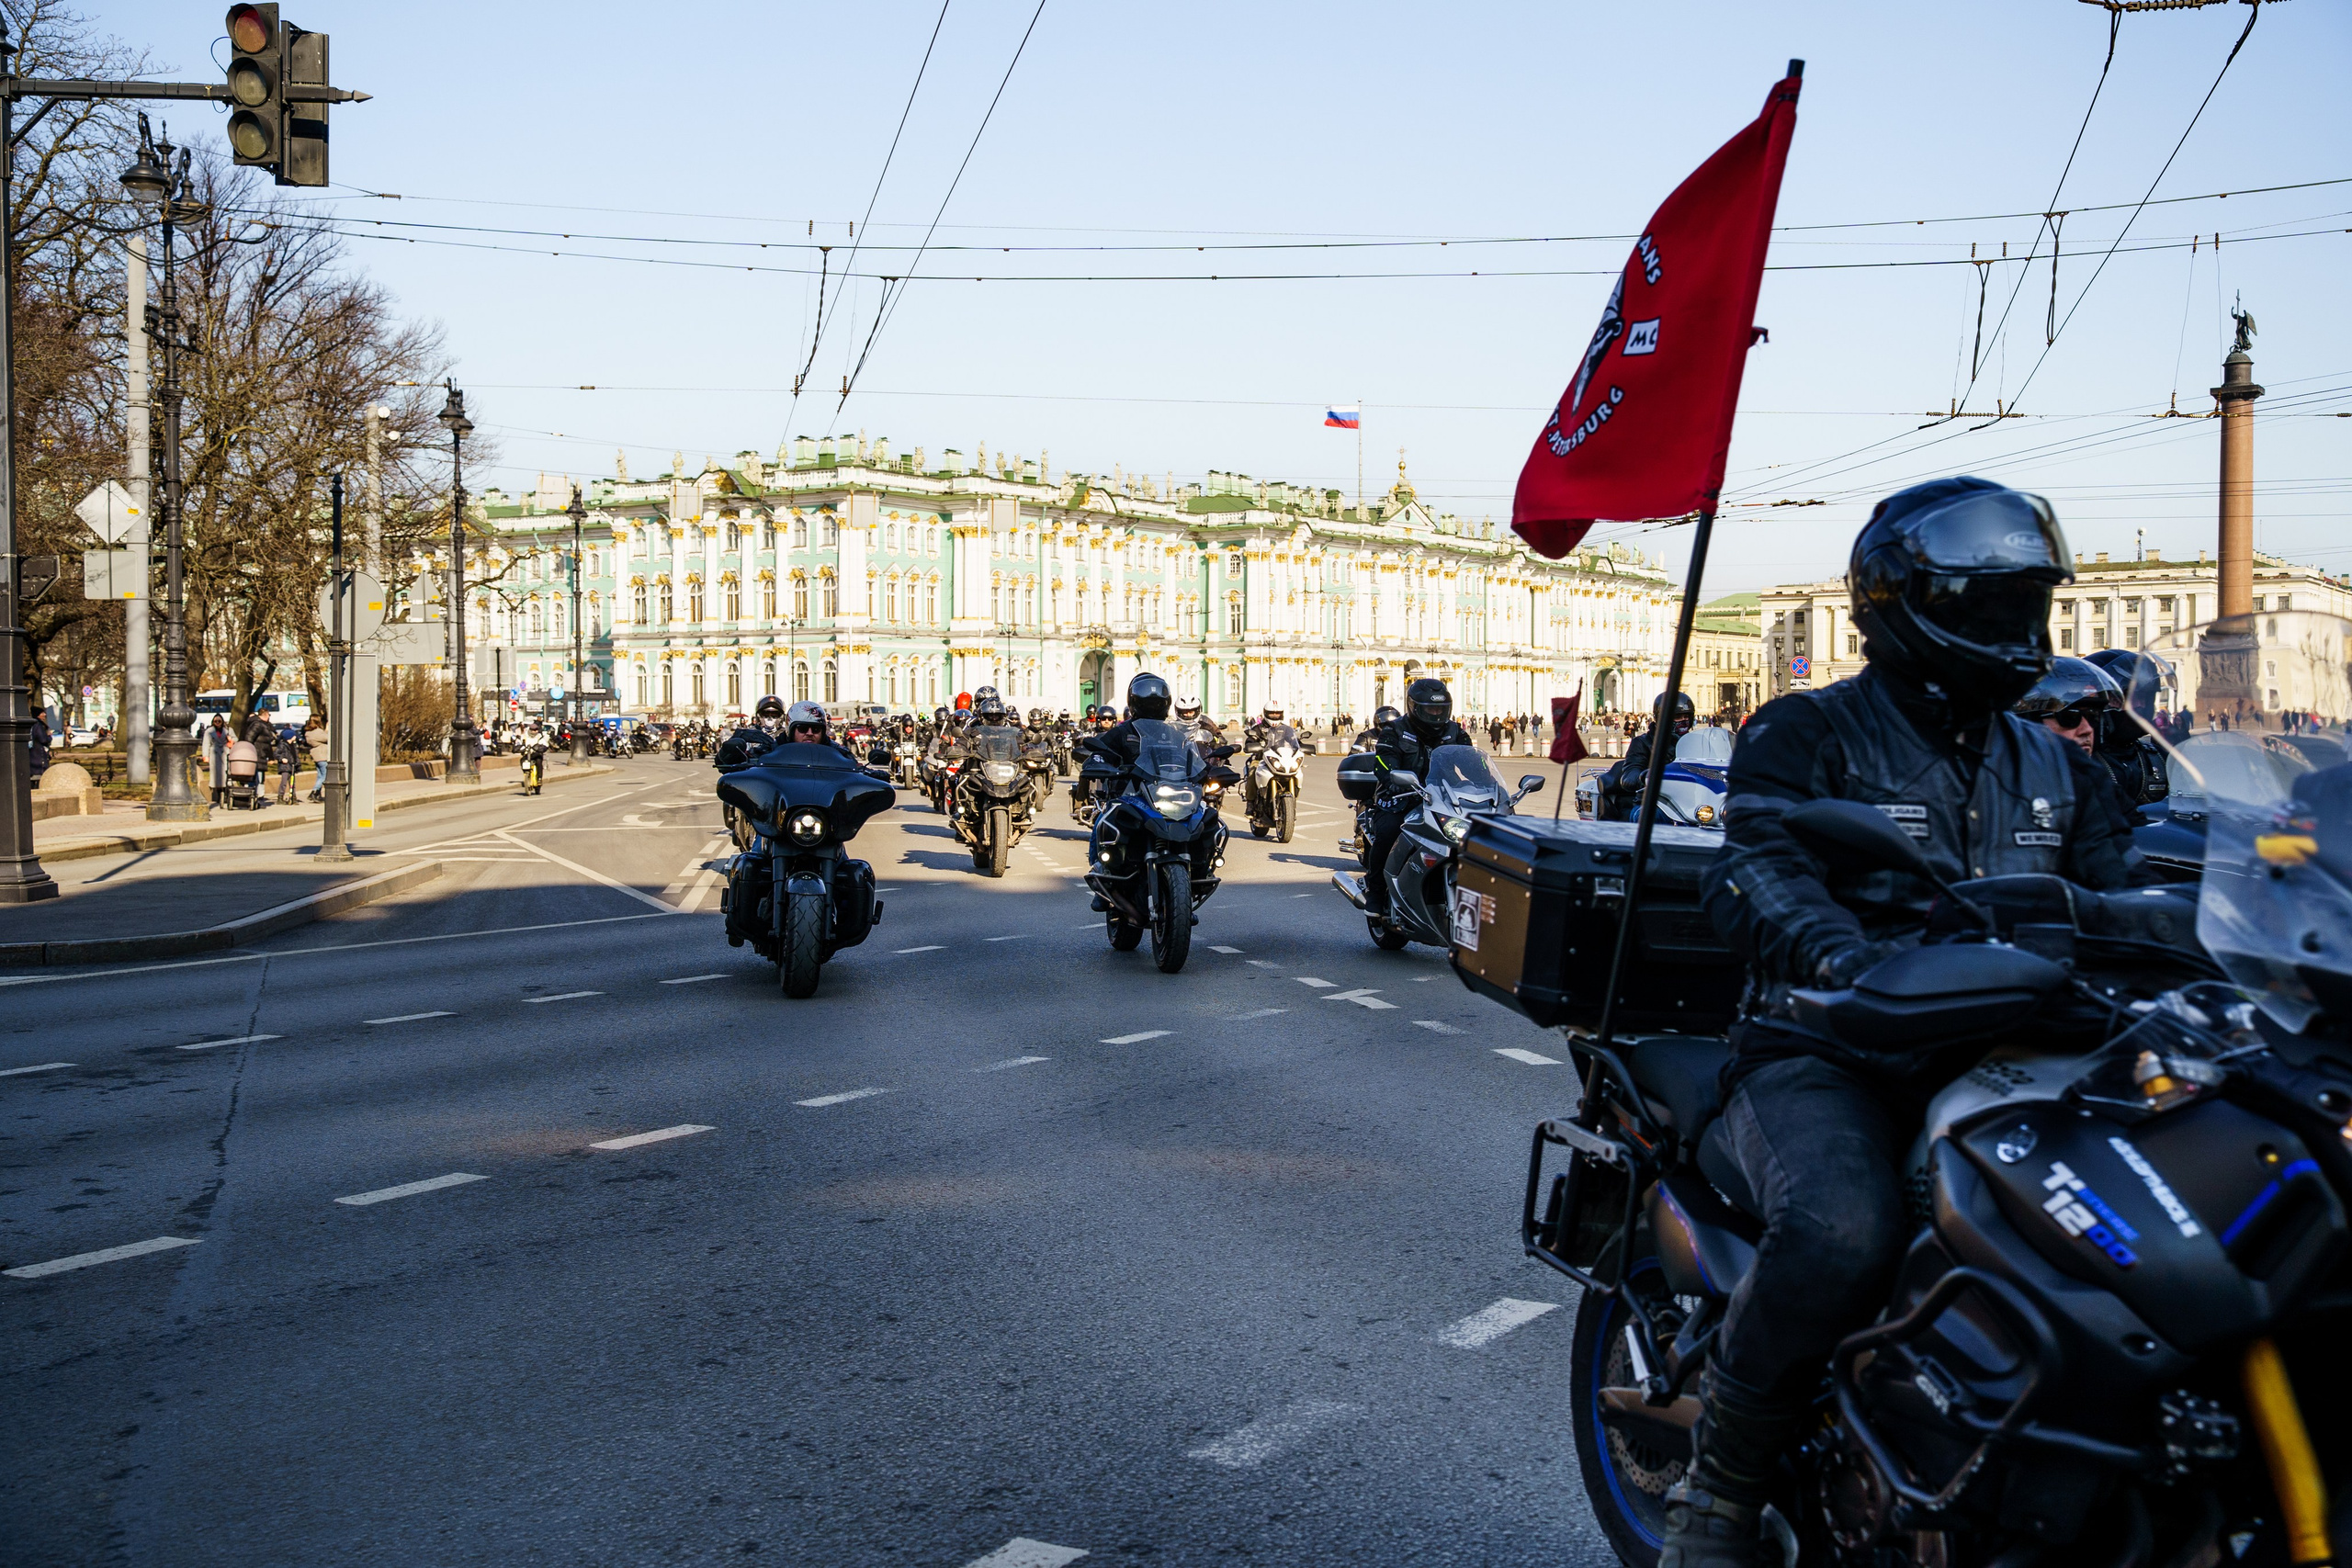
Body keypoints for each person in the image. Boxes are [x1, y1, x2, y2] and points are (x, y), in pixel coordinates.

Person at [1674, 478, 2148, 1567]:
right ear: (1901, 605)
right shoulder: (1807, 732)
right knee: (1845, 1229)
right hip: (1826, 1047)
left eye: (2029, 607)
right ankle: (1718, 1494)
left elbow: (2119, 889)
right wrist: (1844, 957)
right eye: (1991, 609)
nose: (2016, 635)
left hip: (2014, 1051)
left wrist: (2203, 930)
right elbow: (1754, 870)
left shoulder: (2057, 763)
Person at [1363, 679, 1473, 913]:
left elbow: (1473, 762)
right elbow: (1383, 760)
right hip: (1399, 800)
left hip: (1444, 801)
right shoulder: (1395, 731)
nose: (1435, 714)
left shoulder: (1454, 732)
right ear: (1414, 707)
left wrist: (1480, 784)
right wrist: (1393, 778)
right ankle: (1376, 891)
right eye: (1430, 709)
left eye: (1440, 710)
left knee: (1475, 833)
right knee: (1389, 832)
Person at [1597, 691, 1695, 820]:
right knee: (1648, 817)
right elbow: (1629, 776)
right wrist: (1645, 776)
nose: (1684, 721)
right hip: (1655, 802)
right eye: (1678, 717)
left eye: (1687, 717)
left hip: (1690, 802)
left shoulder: (1695, 742)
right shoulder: (1643, 743)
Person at [305, 713, 329, 802]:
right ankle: (314, 792)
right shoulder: (317, 732)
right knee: (325, 775)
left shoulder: (309, 732)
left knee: (320, 775)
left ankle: (317, 794)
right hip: (322, 755)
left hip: (316, 756)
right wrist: (327, 729)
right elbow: (327, 738)